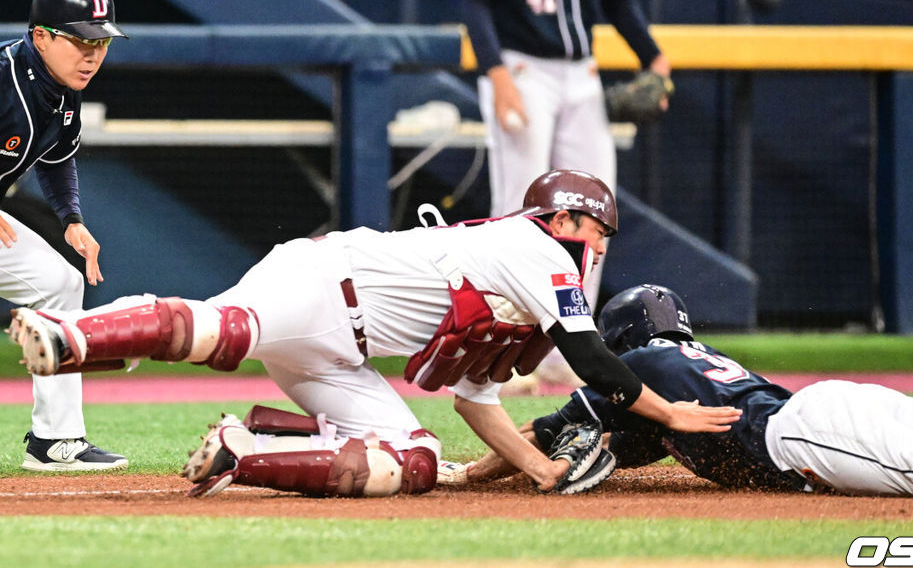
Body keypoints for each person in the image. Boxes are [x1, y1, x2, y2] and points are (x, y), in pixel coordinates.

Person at [9, 171, 741, 498]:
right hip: (324, 280)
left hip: (339, 351)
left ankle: (246, 452)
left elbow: (474, 402)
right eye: (592, 226)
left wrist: (539, 469)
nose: (593, 241)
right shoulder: (539, 251)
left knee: (415, 458)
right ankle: (66, 331)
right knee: (220, 330)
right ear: (570, 222)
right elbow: (591, 358)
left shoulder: (525, 275)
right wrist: (671, 411)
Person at [445, 284, 913, 498]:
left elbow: (540, 433)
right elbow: (618, 444)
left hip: (802, 436)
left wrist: (468, 474)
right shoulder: (678, 373)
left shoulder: (643, 366)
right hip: (822, 412)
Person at [451, 0, 673, 387]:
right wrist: (495, 74)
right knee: (516, 210)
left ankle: (569, 351)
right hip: (520, 66)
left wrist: (654, 58)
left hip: (582, 73)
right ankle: (496, 347)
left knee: (595, 212)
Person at [0, 0, 129, 471]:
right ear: (41, 37)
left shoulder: (62, 89)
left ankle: (54, 442)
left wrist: (71, 218)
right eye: (80, 39)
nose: (92, 54)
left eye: (99, 41)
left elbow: (55, 158)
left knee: (59, 283)